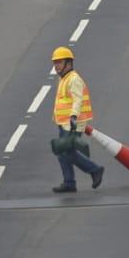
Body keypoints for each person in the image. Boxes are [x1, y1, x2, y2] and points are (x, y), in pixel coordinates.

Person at [49, 45, 103, 193]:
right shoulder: (64, 79)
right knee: (63, 152)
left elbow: (77, 100)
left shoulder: (73, 79)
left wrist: (73, 116)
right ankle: (69, 182)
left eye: (60, 62)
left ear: (69, 63)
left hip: (73, 122)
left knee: (66, 152)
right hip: (65, 122)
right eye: (55, 63)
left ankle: (94, 170)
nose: (56, 66)